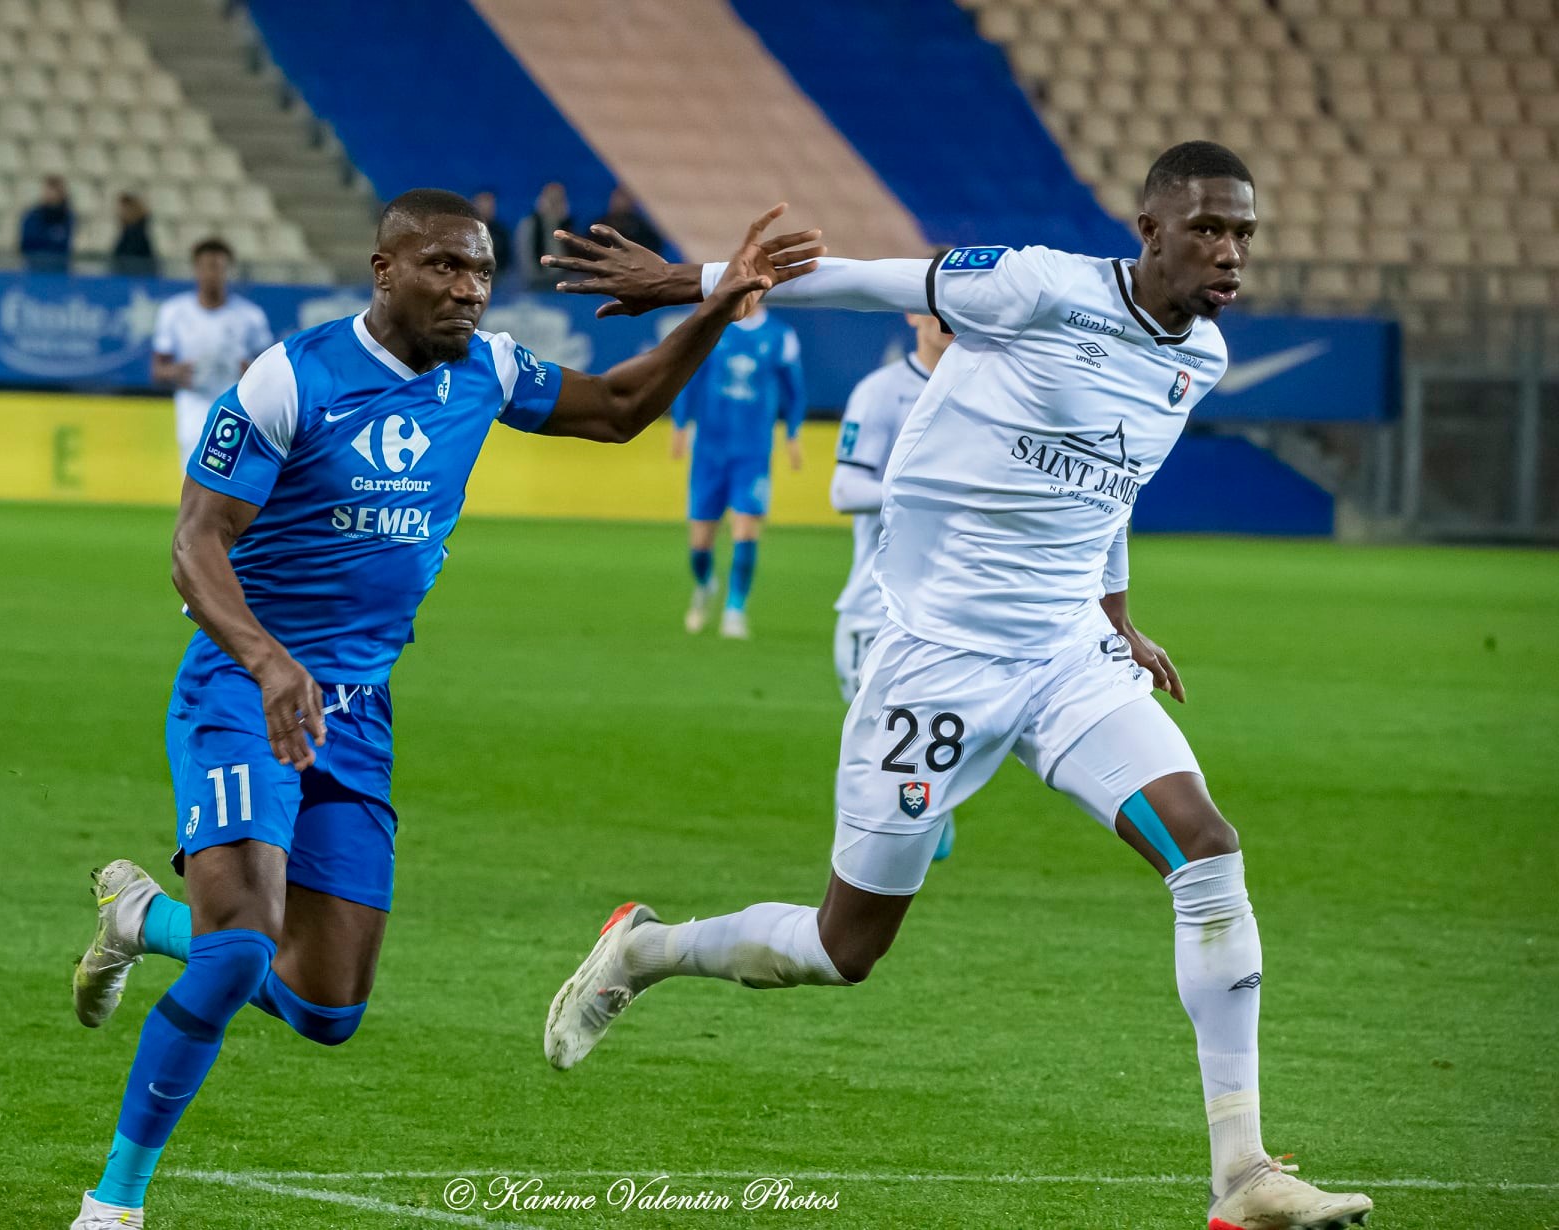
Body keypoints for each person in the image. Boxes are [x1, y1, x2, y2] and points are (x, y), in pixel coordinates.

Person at [539, 143, 1374, 1230]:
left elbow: (1110, 488)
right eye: (1208, 229)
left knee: (1207, 852)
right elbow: (864, 278)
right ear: (1151, 230)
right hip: (936, 660)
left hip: (1066, 656)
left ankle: (1244, 1174)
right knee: (844, 949)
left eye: (1244, 234)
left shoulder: (1200, 357)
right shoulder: (1038, 286)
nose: (1230, 252)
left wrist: (1118, 619)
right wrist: (691, 282)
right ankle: (646, 950)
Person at [64, 191, 821, 1230]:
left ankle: (142, 919)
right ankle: (113, 1204)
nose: (469, 289)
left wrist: (715, 305)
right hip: (243, 690)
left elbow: (618, 408)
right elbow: (196, 543)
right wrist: (268, 660)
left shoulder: (490, 370)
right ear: (385, 270)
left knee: (327, 1008)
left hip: (357, 714)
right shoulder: (292, 377)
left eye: (480, 272)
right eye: (444, 267)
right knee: (240, 948)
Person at [831, 301, 957, 860]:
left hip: (956, 611)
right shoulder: (882, 392)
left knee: (916, 765)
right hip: (877, 609)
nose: (950, 323)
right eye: (939, 311)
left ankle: (916, 825)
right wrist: (928, 492)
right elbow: (844, 490)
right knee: (878, 760)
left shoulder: (992, 391)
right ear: (912, 314)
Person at [671, 305, 804, 639]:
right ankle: (705, 584)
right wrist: (680, 423)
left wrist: (793, 433)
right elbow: (689, 376)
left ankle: (735, 609)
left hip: (753, 452)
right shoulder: (713, 326)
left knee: (746, 528)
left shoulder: (780, 335)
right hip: (709, 451)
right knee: (700, 543)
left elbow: (795, 389)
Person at [152, 238, 273, 469]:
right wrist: (177, 372)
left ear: (228, 271)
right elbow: (158, 370)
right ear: (196, 269)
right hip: (193, 402)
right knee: (193, 471)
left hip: (235, 404)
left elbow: (269, 371)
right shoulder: (174, 312)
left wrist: (249, 372)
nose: (212, 274)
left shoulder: (250, 316)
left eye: (218, 267)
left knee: (229, 472)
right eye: (207, 267)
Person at [514, 180, 573, 287]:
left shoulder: (567, 225)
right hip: (535, 281)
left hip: (560, 280)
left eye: (558, 201)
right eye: (551, 200)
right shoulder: (529, 224)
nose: (554, 205)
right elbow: (525, 259)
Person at [19, 174, 74, 271]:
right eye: (48, 191)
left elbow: (64, 245)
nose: (51, 195)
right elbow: (27, 243)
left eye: (55, 192)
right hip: (34, 268)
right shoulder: (32, 216)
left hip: (59, 270)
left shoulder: (66, 217)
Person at [593, 183, 665, 256]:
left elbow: (653, 249)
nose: (619, 200)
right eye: (618, 195)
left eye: (624, 196)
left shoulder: (643, 229)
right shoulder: (600, 224)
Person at [111, 193, 157, 277]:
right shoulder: (128, 231)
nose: (119, 212)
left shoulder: (137, 234)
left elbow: (132, 257)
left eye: (123, 208)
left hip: (136, 276)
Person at [470, 188, 512, 273]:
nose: (487, 207)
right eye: (483, 203)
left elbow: (506, 258)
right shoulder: (465, 230)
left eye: (490, 203)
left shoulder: (501, 232)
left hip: (497, 275)